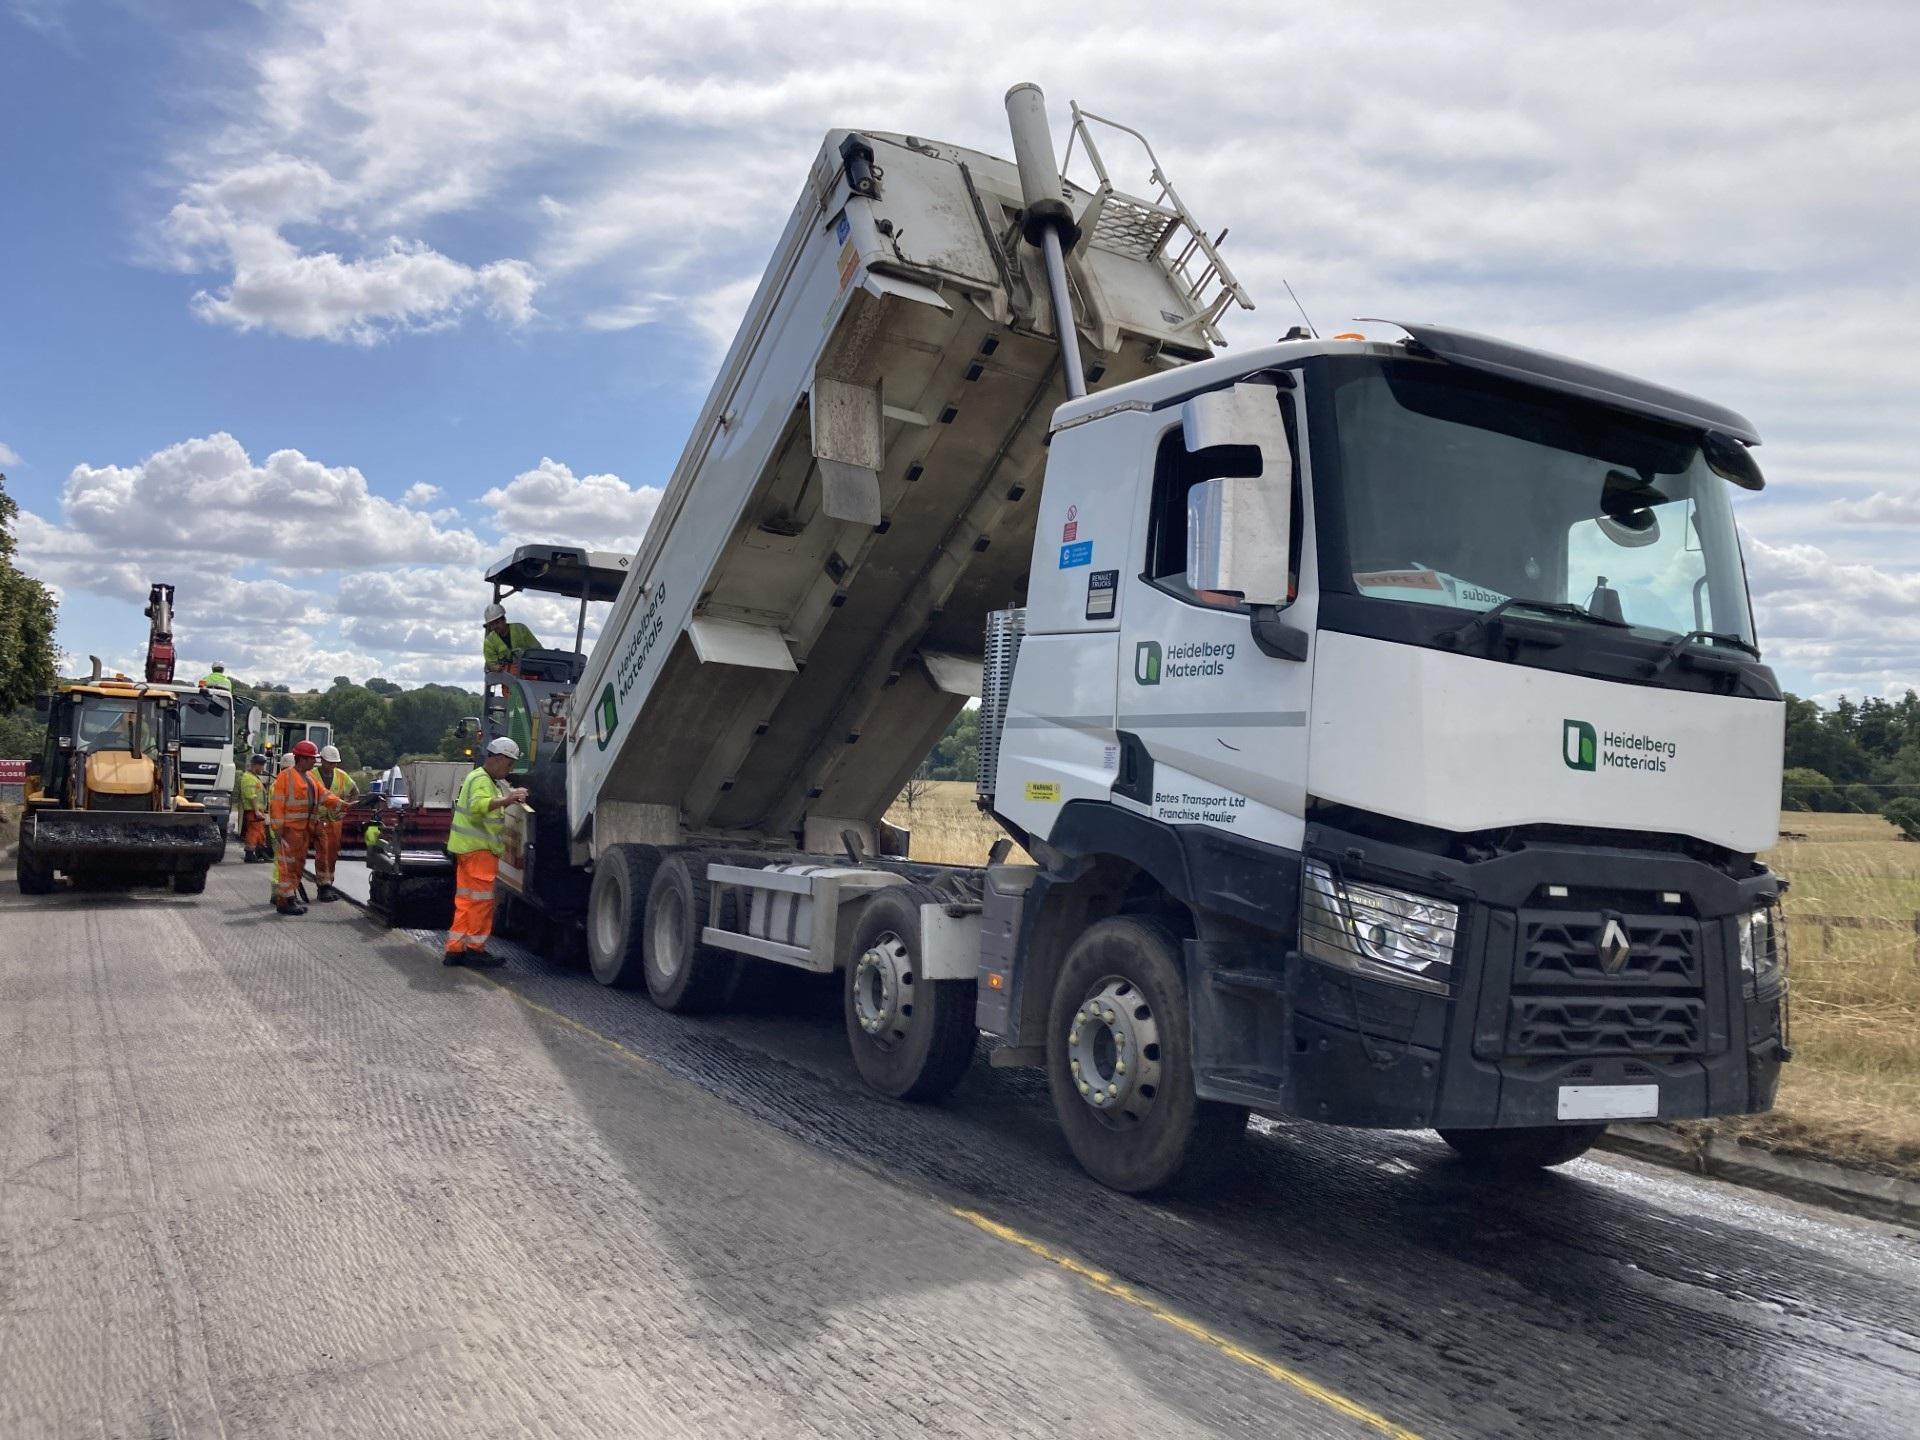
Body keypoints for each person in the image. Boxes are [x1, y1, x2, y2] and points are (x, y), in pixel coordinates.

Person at [444, 736, 528, 966]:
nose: (509, 770)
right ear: (499, 759)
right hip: (479, 851)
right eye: (509, 764)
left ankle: (455, 950)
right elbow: (479, 806)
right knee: (481, 902)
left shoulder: (480, 778)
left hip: (467, 850)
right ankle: (475, 949)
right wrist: (508, 800)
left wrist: (507, 795)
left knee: (465, 901)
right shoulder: (482, 780)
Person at [269, 739, 344, 916]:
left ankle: (290, 898)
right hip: (289, 830)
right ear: (301, 759)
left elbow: (325, 795)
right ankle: (285, 901)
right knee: (288, 866)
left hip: (303, 830)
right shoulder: (286, 777)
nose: (314, 761)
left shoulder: (310, 778)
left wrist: (342, 804)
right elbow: (277, 804)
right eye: (311, 758)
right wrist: (278, 827)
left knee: (297, 865)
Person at [312, 745, 360, 901]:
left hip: (335, 820)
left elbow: (355, 792)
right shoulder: (311, 775)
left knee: (332, 853)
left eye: (335, 763)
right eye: (329, 762)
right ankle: (323, 885)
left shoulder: (341, 776)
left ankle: (329, 883)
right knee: (322, 852)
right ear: (322, 761)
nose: (332, 765)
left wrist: (344, 808)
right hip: (317, 819)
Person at [483, 603, 542, 672]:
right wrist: (495, 667)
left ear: (504, 620)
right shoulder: (489, 641)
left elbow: (537, 649)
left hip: (529, 669)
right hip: (507, 675)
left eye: (497, 623)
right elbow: (491, 664)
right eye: (492, 624)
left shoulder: (520, 629)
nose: (495, 626)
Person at [237, 753, 271, 862]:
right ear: (255, 765)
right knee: (254, 832)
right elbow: (250, 795)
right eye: (261, 766)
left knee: (260, 832)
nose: (262, 768)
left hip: (256, 810)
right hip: (253, 811)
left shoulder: (253, 777)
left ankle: (260, 853)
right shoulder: (248, 778)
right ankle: (250, 854)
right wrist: (256, 811)